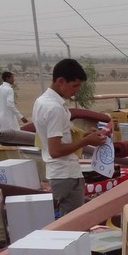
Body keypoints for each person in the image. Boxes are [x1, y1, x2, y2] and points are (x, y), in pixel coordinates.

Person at [32, 59, 106, 216]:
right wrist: (86, 141)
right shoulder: (54, 108)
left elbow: (59, 137)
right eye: (74, 86)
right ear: (61, 81)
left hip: (58, 174)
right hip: (66, 175)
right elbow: (56, 150)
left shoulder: (41, 102)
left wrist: (84, 135)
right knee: (74, 225)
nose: (76, 91)